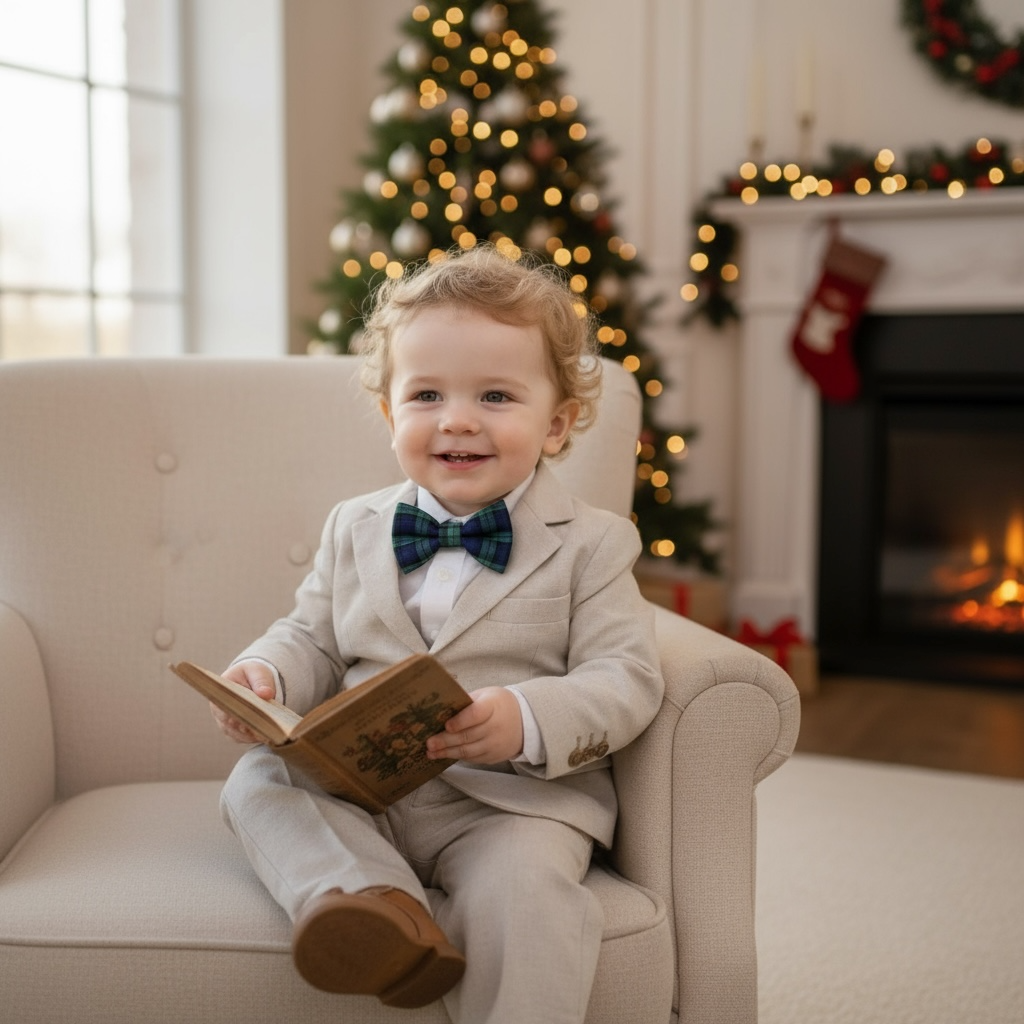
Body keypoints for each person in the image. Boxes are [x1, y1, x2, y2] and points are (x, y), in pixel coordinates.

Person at [213, 244, 664, 1024]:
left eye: (495, 396)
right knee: (257, 780)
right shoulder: (353, 526)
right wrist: (267, 676)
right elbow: (312, 636)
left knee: (529, 898)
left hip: (508, 808)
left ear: (555, 425)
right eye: (426, 394)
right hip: (364, 794)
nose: (457, 419)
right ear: (391, 414)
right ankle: (377, 908)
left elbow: (626, 678)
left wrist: (523, 720)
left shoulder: (593, 543)